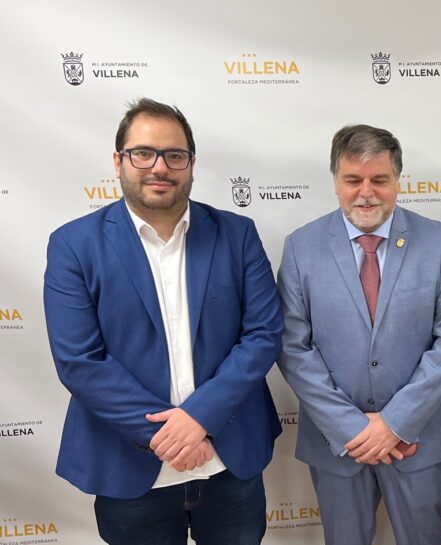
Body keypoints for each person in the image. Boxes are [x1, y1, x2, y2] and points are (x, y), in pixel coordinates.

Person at [43, 98, 283, 544]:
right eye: (143, 153)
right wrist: (170, 436)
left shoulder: (237, 234)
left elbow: (263, 336)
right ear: (118, 161)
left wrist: (200, 418)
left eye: (174, 155)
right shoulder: (74, 245)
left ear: (191, 163)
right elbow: (79, 361)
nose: (159, 167)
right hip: (129, 469)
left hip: (230, 463)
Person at [276, 124, 441, 545]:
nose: (366, 192)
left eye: (379, 179)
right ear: (335, 181)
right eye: (353, 180)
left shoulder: (437, 241)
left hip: (416, 438)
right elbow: (292, 348)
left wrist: (396, 423)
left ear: (397, 180)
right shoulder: (300, 247)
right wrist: (351, 427)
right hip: (336, 443)